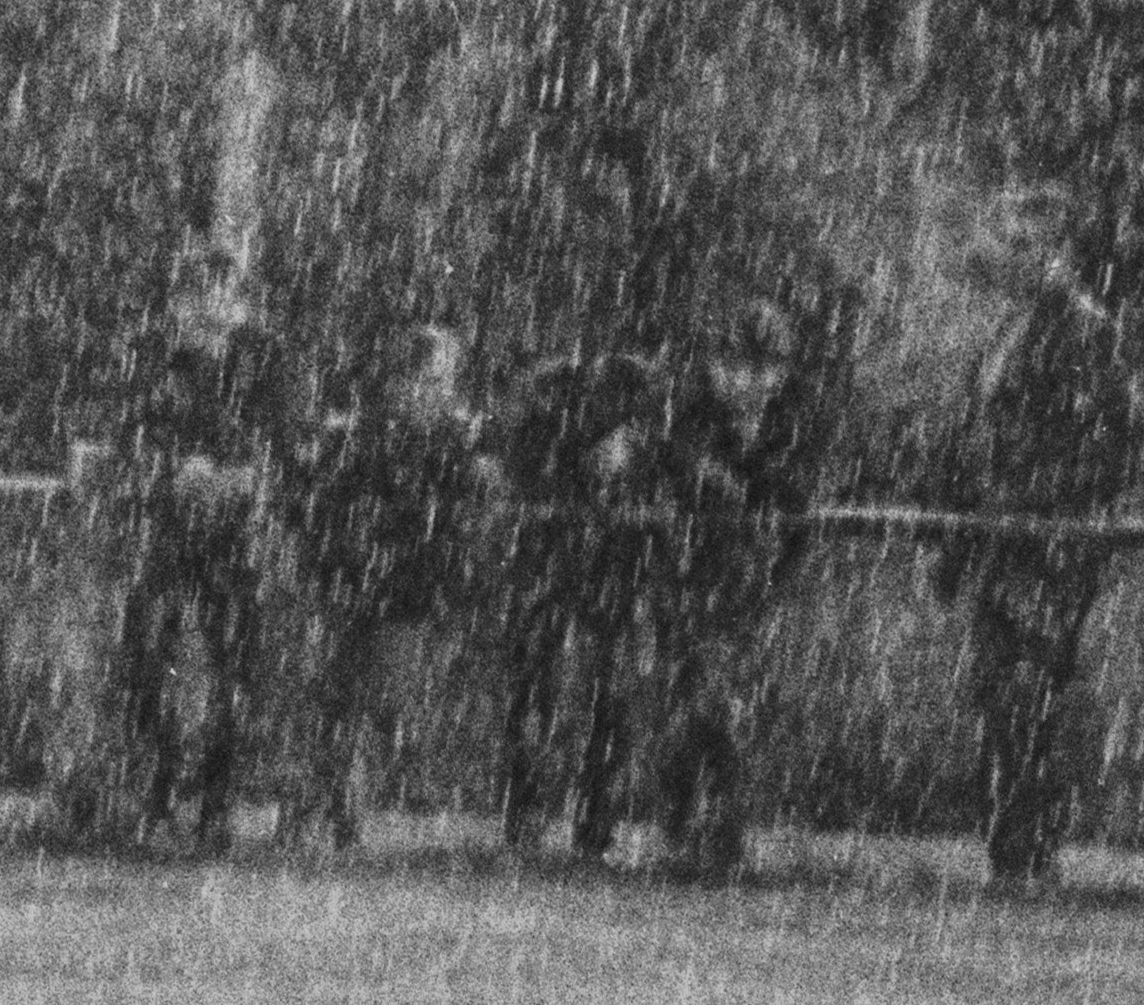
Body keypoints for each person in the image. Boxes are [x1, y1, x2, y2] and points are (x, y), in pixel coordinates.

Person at [932, 192, 1137, 887]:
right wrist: (957, 539)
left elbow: (1106, 447)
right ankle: (1012, 842)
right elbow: (974, 440)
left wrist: (1036, 500)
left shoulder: (1085, 333)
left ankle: (1030, 842)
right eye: (1009, 241)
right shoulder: (1008, 330)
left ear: (1060, 252)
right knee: (995, 689)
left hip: (1049, 542)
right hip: (1000, 535)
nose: (1012, 256)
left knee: (1030, 691)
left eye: (1027, 244)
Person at [629, 294, 830, 884]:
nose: (752, 382)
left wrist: (775, 577)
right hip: (685, 581)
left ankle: (720, 830)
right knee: (686, 702)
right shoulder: (686, 420)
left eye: (767, 368)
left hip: (743, 589)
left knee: (723, 706)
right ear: (716, 366)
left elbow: (796, 515)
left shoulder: (788, 429)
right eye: (740, 366)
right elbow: (663, 478)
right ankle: (684, 822)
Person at [97, 239, 291, 844]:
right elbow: (128, 431)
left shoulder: (263, 358)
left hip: (235, 531)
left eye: (221, 291)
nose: (209, 305)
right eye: (197, 291)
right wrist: (172, 467)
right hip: (170, 525)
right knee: (147, 651)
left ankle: (215, 800)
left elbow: (283, 439)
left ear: (239, 300)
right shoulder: (154, 354)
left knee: (234, 662)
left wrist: (237, 472)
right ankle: (157, 789)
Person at [283, 321, 490, 846]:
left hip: (401, 580)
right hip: (361, 575)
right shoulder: (370, 434)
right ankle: (328, 799)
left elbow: (458, 515)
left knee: (377, 697)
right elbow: (330, 500)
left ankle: (334, 796)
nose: (425, 388)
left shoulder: (446, 441)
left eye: (436, 377)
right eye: (419, 375)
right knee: (342, 691)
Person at [486, 341, 676, 857]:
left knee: (598, 705)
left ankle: (583, 816)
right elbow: (538, 503)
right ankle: (538, 812)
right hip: (570, 583)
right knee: (547, 697)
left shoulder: (636, 447)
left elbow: (653, 522)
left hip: (603, 585)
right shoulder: (560, 435)